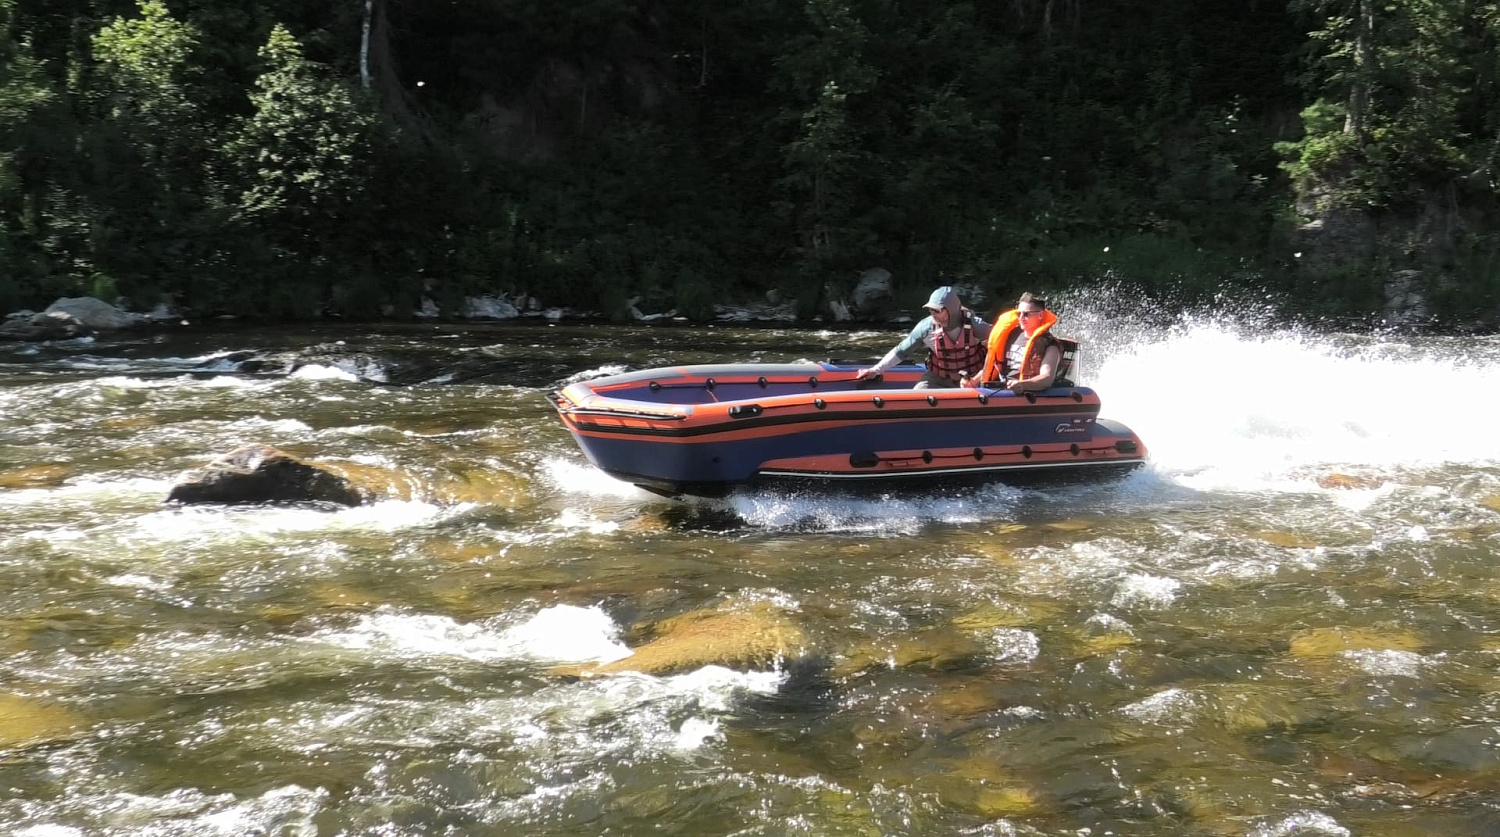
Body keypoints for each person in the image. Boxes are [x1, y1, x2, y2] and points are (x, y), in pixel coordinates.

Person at [854, 286, 993, 389]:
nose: (933, 314)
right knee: (919, 392)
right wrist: (875, 370)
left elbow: (999, 347)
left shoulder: (977, 326)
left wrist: (977, 379)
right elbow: (901, 351)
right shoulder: (926, 327)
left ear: (951, 310)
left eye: (937, 310)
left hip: (974, 377)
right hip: (939, 379)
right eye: (931, 309)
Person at [964, 292, 1062, 393]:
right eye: (1019, 314)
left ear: (1040, 315)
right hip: (997, 390)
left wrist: (1022, 384)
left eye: (1026, 314)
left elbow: (1046, 379)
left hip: (1025, 395)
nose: (1021, 318)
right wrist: (973, 381)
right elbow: (997, 365)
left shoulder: (1050, 344)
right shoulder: (1011, 334)